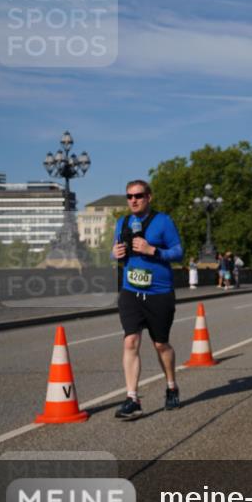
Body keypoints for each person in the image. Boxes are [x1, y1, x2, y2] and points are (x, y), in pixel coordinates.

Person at [111, 179, 185, 419]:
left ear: (149, 197)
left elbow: (178, 252)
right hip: (130, 291)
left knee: (160, 344)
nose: (133, 200)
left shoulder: (163, 221)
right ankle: (132, 398)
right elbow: (117, 250)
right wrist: (115, 253)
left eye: (139, 195)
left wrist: (153, 250)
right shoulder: (122, 222)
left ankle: (172, 386)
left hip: (159, 293)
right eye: (129, 196)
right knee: (130, 341)